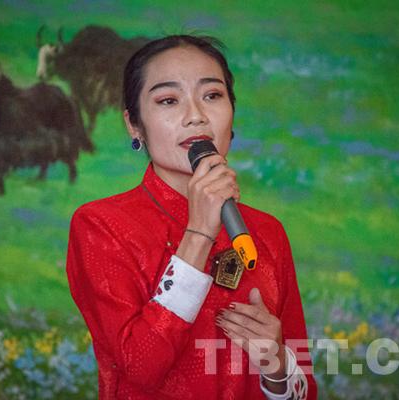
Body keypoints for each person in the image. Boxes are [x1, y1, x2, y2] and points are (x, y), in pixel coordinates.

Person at [66, 34, 317, 399]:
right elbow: (140, 368)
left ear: (232, 113)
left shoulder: (266, 232)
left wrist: (277, 367)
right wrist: (199, 231)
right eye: (169, 100)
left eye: (212, 95)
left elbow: (306, 389)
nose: (196, 115)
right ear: (134, 125)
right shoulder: (101, 225)